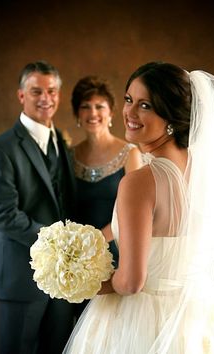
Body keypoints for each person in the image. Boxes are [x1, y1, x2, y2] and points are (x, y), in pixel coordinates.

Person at [63, 62, 214, 353]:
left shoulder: (139, 182)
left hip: (140, 322)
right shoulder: (205, 168)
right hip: (195, 316)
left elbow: (130, 282)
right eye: (129, 99)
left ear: (171, 116)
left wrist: (75, 284)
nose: (129, 112)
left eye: (145, 105)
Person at [0, 61, 78, 354]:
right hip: (21, 279)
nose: (46, 98)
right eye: (36, 91)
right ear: (21, 96)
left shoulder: (62, 142)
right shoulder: (2, 148)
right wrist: (57, 242)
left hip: (62, 282)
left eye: (52, 91)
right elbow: (3, 214)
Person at [70, 75, 142, 266]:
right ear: (77, 114)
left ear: (111, 113)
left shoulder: (130, 154)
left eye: (99, 106)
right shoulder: (69, 155)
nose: (92, 113)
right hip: (75, 254)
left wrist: (94, 243)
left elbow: (135, 212)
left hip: (116, 252)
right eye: (85, 106)